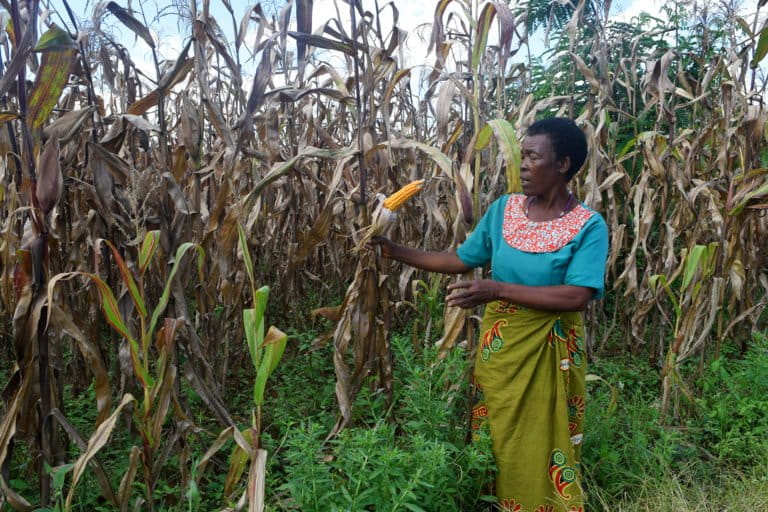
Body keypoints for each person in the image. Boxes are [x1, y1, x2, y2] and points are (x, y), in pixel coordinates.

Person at [374, 117, 609, 512]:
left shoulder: (588, 226)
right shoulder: (505, 211)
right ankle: (493, 502)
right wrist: (393, 250)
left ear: (563, 164)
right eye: (521, 156)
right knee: (496, 430)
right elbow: (460, 259)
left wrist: (496, 289)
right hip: (501, 349)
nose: (521, 167)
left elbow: (576, 296)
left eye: (532, 157)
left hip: (549, 349)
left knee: (540, 435)